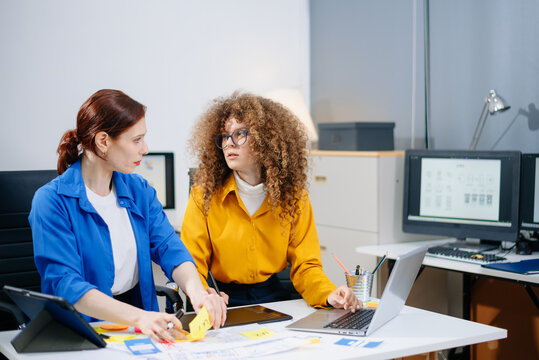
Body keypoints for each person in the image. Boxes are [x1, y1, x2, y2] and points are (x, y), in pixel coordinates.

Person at [29, 89, 227, 343]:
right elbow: (66, 286)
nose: (145, 148)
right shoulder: (52, 201)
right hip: (82, 332)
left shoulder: (139, 191)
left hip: (137, 330)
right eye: (137, 140)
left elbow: (170, 248)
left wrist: (198, 293)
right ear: (103, 141)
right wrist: (140, 318)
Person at [182, 92, 359, 310]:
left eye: (239, 134)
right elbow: (191, 264)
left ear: (265, 140)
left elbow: (307, 266)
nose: (229, 143)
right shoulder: (203, 196)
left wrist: (329, 294)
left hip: (274, 299)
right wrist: (203, 294)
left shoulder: (294, 198)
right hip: (220, 299)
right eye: (225, 136)